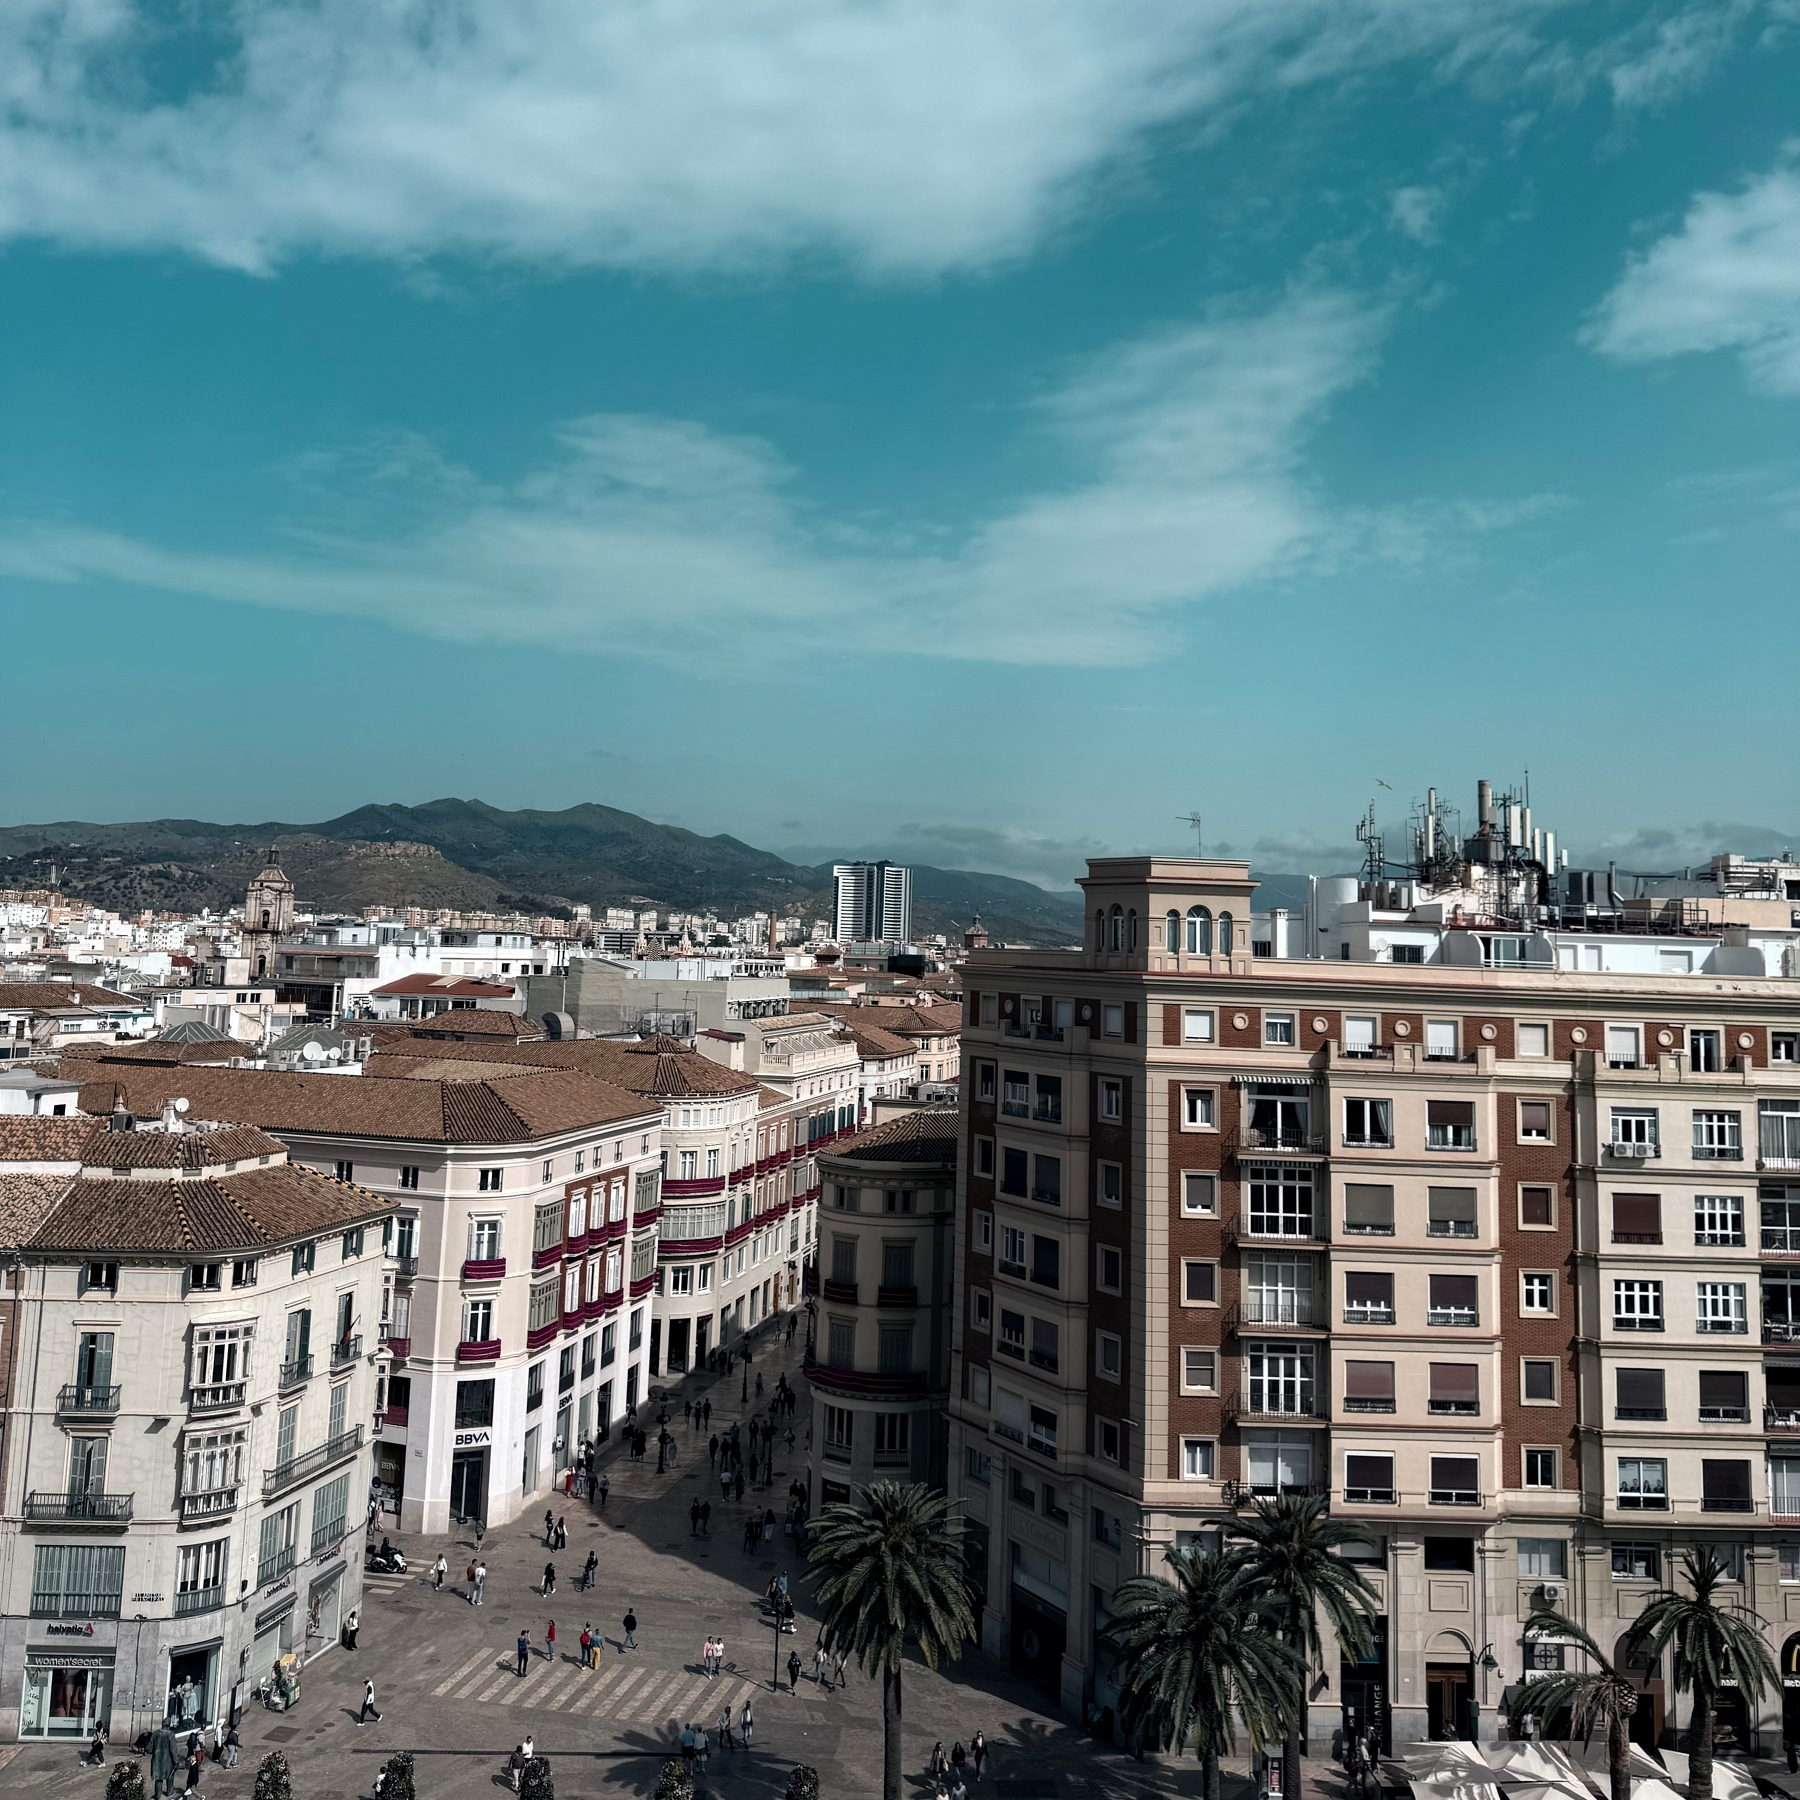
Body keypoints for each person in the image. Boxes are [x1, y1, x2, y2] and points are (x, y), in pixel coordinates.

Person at [150, 1719, 179, 1799]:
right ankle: (169, 1793)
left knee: (158, 1778)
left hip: (157, 1760)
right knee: (169, 1776)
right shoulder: (171, 1734)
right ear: (169, 1725)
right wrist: (176, 1760)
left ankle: (157, 1796)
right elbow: (173, 1749)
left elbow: (149, 1748)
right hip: (168, 1760)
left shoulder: (155, 1733)